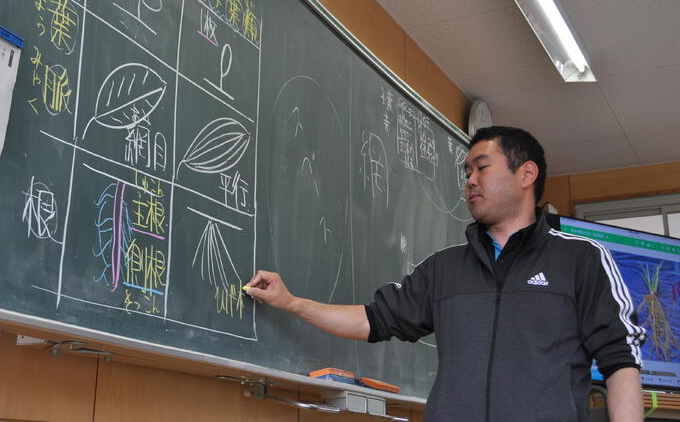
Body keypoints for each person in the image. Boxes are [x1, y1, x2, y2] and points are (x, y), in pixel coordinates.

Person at [245, 126, 645, 422]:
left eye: (482, 168)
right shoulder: (445, 268)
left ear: (527, 174)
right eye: (466, 172)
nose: (470, 180)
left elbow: (620, 361)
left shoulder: (581, 260)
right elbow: (373, 320)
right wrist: (291, 302)